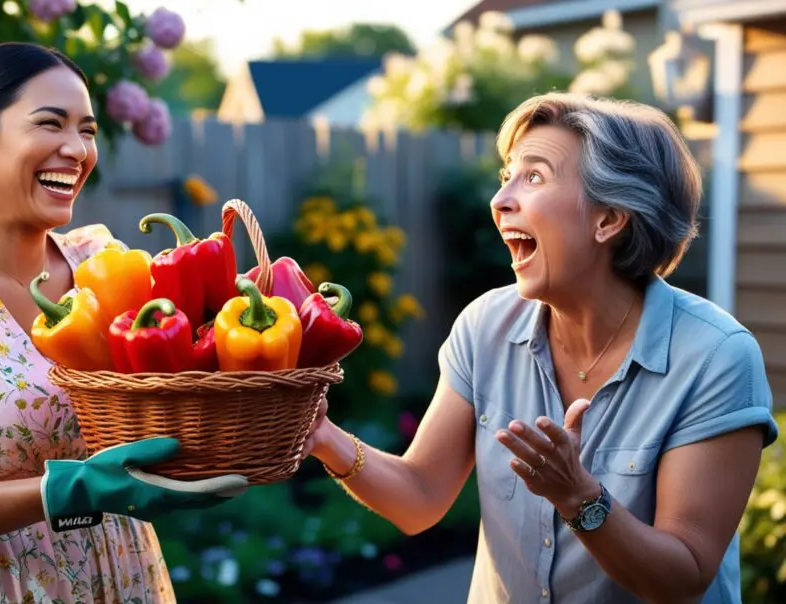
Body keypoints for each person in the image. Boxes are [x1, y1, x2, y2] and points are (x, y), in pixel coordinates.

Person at [303, 92, 779, 603]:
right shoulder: (485, 326)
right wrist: (322, 436)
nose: (501, 199)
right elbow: (420, 496)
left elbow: (682, 577)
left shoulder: (715, 357)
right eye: (505, 176)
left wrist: (579, 496)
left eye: (533, 177)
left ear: (609, 219)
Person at [0, 42, 246, 603]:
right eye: (50, 124)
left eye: (88, 130)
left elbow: (168, 394)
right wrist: (67, 489)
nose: (76, 149)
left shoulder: (105, 266)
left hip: (124, 578)